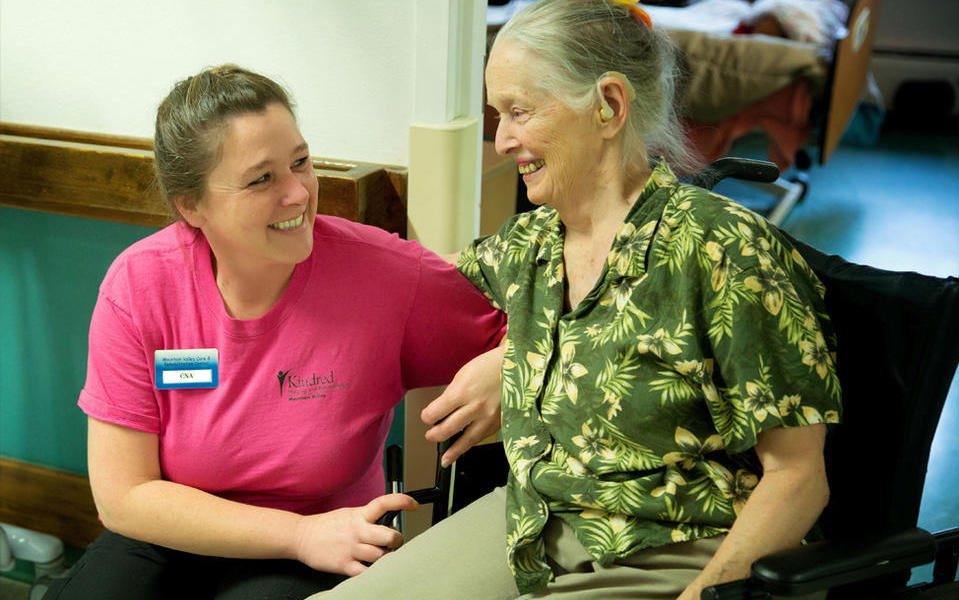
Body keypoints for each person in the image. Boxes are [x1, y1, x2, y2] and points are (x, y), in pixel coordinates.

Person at [311, 1, 841, 599]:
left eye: (520, 111)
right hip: (536, 522)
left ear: (608, 106)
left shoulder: (725, 250)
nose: (503, 138)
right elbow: (394, 283)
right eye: (498, 114)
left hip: (677, 545)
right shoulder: (530, 244)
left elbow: (798, 478)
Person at [43, 64, 506, 600]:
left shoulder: (384, 278)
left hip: (327, 537)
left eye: (301, 163)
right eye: (262, 178)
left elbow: (550, 321)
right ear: (191, 206)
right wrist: (295, 534)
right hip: (175, 530)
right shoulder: (139, 285)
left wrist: (506, 362)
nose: (299, 194)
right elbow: (124, 495)